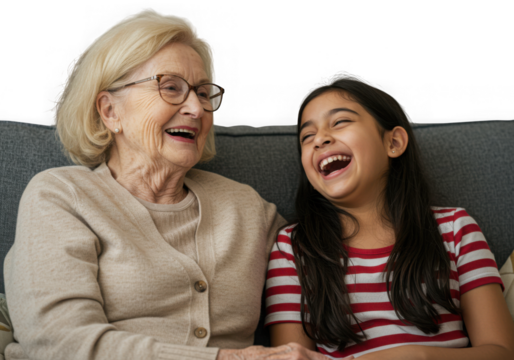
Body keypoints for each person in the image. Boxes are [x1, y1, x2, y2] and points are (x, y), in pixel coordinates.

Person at [1, 7, 307, 360]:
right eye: (171, 87)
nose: (195, 108)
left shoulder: (246, 208)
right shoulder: (62, 196)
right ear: (110, 111)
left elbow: (328, 263)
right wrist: (230, 358)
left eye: (203, 93)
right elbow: (58, 342)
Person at [264, 71, 514, 359]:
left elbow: (501, 352)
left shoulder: (456, 230)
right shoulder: (293, 247)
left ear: (393, 143)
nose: (319, 139)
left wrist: (415, 357)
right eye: (307, 136)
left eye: (340, 122)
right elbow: (291, 356)